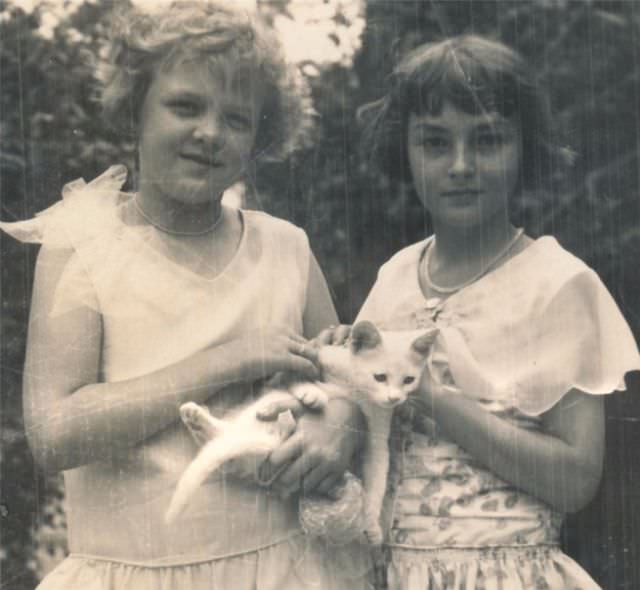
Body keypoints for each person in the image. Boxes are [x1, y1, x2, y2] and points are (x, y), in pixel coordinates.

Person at [0, 2, 370, 588]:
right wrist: (230, 360)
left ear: (260, 137)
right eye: (185, 106)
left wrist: (346, 421)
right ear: (134, 111)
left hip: (283, 568)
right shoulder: (84, 246)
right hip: (135, 573)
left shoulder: (286, 248)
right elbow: (54, 432)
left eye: (237, 118)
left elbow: (345, 380)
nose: (209, 133)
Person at [353, 35, 640, 589]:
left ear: (524, 148)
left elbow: (577, 480)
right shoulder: (393, 278)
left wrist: (438, 401)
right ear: (405, 152)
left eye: (487, 141)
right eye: (435, 143)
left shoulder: (557, 283)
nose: (461, 165)